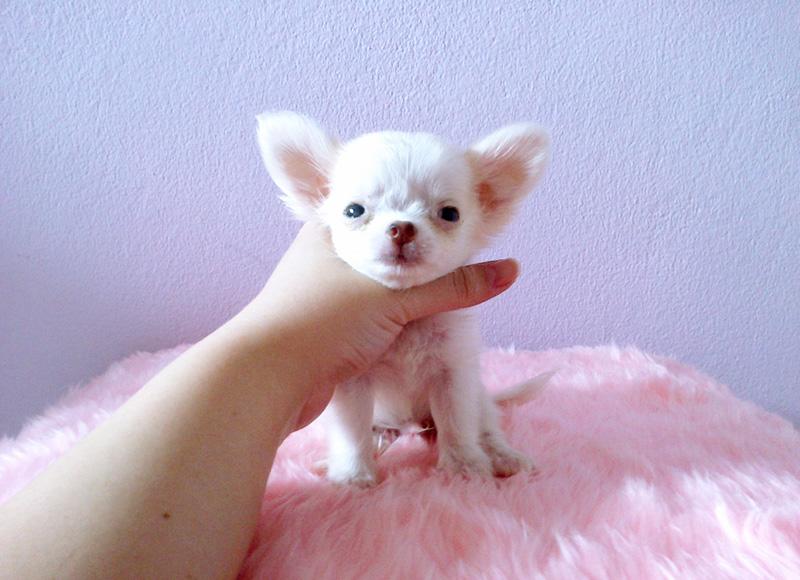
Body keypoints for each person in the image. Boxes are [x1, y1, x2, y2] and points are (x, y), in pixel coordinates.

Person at [0, 223, 520, 579]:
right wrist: (349, 452)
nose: (401, 229)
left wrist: (474, 443)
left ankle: (483, 439)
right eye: (358, 211)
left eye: (446, 213)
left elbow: (459, 380)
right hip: (375, 417)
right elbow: (352, 383)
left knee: (461, 384)